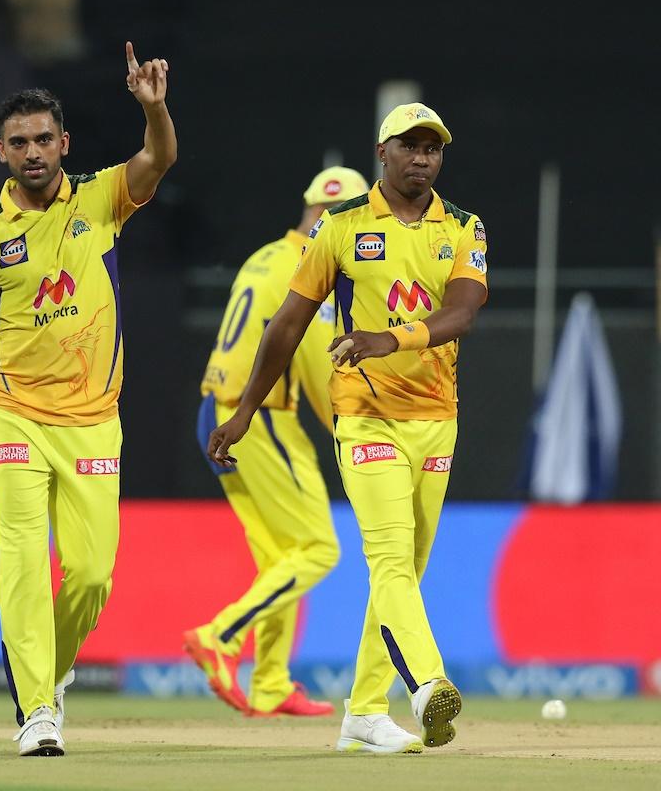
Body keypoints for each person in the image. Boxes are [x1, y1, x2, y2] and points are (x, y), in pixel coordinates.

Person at [0, 42, 176, 756]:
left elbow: (160, 161)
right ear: (1, 151)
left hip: (93, 422)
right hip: (12, 415)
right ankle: (35, 710)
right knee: (22, 559)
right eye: (19, 142)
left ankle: (49, 676)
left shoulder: (101, 198)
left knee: (90, 575)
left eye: (44, 139)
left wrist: (153, 109)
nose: (33, 152)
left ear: (65, 143)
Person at [207, 103, 488, 754]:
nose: (423, 158)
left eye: (433, 148)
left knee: (405, 573)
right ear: (381, 152)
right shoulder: (340, 226)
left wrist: (389, 339)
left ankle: (363, 713)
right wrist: (246, 409)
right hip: (365, 422)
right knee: (389, 559)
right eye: (410, 146)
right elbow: (286, 324)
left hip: (437, 421)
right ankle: (427, 684)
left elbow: (462, 313)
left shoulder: (467, 227)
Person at [185, 167, 369, 718]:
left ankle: (269, 680)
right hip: (260, 418)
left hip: (214, 412)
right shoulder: (312, 268)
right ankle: (219, 637)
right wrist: (359, 444)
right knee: (318, 550)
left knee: (282, 559)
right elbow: (319, 372)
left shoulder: (265, 255)